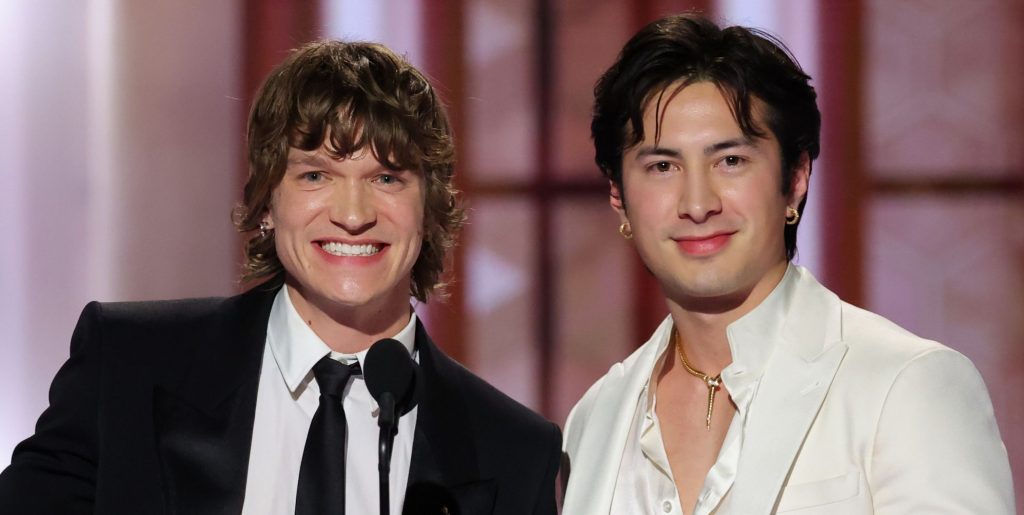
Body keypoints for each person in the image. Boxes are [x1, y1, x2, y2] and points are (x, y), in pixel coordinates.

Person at [0, 40, 561, 515]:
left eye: (387, 178)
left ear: (431, 206)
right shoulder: (127, 363)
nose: (352, 212)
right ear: (268, 201)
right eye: (316, 174)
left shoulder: (513, 451)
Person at [561, 14, 1014, 514]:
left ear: (796, 177)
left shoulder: (907, 385)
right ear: (618, 197)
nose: (697, 203)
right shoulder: (596, 418)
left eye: (730, 161)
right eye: (662, 166)